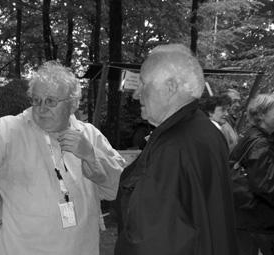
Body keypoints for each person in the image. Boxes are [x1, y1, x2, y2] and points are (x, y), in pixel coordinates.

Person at [0, 61, 124, 255]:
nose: (41, 109)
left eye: (51, 101)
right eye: (36, 100)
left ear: (73, 103)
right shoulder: (9, 131)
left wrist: (90, 156)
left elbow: (116, 188)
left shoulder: (90, 135)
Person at [114, 44, 239, 255]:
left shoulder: (171, 147)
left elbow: (152, 238)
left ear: (170, 87)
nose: (136, 94)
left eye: (143, 83)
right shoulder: (206, 131)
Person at [230, 94, 274, 255]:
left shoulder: (255, 136)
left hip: (247, 216)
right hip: (256, 218)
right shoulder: (259, 143)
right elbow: (265, 184)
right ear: (261, 115)